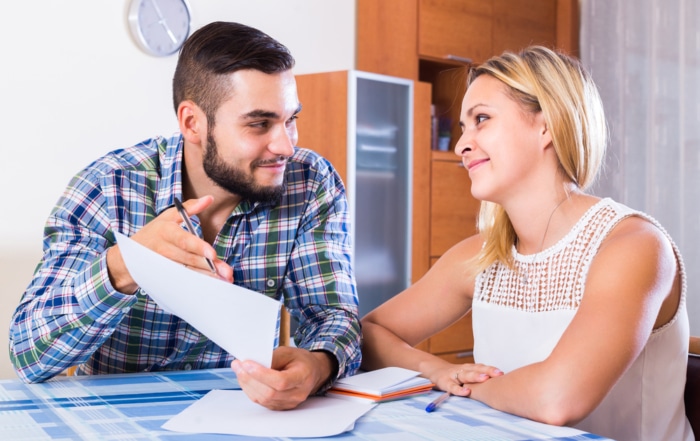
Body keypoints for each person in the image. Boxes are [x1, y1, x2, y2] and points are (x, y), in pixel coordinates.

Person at [9, 21, 362, 411]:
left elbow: (332, 314)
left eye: (290, 119)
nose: (286, 146)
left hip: (241, 415)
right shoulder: (108, 187)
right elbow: (29, 356)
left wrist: (318, 364)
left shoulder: (310, 182)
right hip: (117, 417)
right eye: (259, 123)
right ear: (192, 122)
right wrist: (125, 266)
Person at [360, 46, 693, 441]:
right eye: (464, 127)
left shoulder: (634, 247)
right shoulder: (479, 256)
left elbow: (557, 399)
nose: (460, 146)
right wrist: (437, 371)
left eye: (481, 119)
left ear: (547, 126)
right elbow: (369, 332)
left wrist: (467, 390)